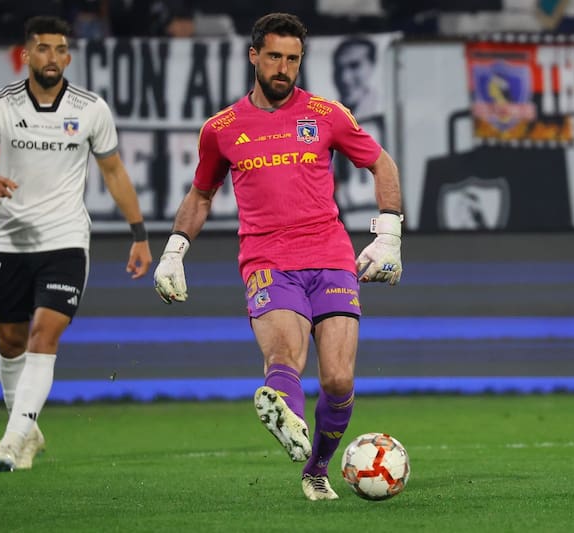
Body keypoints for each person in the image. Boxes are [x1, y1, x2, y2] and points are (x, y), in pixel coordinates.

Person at [153, 12, 403, 501]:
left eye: (292, 59)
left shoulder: (328, 115)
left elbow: (380, 162)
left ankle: (317, 468)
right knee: (284, 354)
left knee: (337, 377)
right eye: (274, 57)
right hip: (267, 257)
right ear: (254, 56)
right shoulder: (222, 128)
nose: (283, 68)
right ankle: (283, 412)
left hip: (330, 253)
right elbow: (201, 194)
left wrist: (388, 233)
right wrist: (173, 252)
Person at [0, 15, 153, 472]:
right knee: (10, 342)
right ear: (27, 55)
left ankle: (11, 440)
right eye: (43, 48)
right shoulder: (1, 104)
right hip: (11, 240)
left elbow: (113, 172)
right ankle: (29, 430)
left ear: (69, 56)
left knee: (43, 335)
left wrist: (139, 234)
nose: (53, 57)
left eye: (61, 49)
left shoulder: (90, 108)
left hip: (65, 240)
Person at [332, 36, 379, 120]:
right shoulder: (328, 113)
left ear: (372, 65)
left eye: (354, 66)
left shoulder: (383, 107)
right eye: (339, 68)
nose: (345, 78)